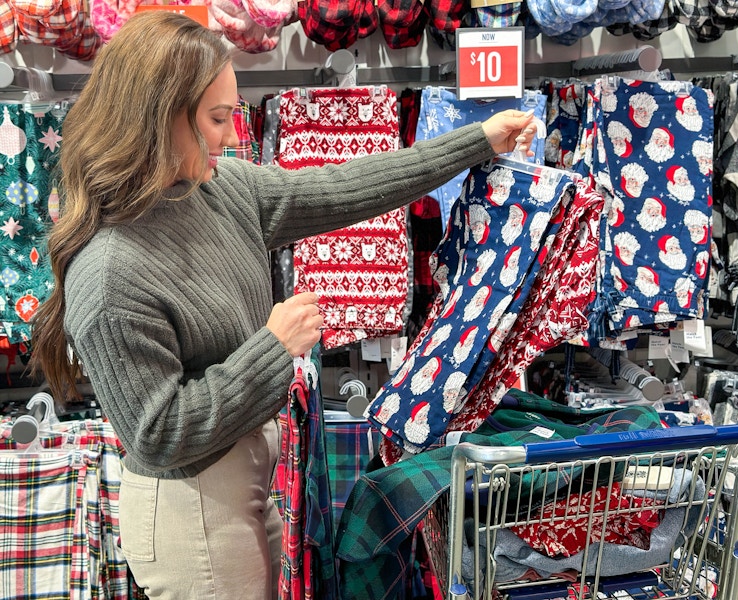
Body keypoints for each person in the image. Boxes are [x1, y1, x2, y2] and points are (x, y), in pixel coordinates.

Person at [30, 10, 539, 600]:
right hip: (194, 511)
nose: (231, 133)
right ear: (160, 119)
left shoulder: (217, 188)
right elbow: (157, 434)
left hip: (244, 483)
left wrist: (475, 142)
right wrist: (272, 349)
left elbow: (343, 186)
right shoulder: (112, 272)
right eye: (218, 118)